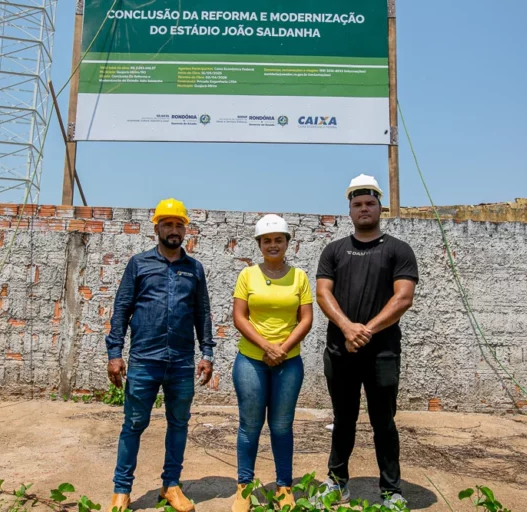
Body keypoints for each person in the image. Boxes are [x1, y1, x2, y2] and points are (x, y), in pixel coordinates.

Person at [314, 175, 419, 509]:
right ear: (349, 210)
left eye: (370, 203)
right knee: (343, 419)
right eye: (357, 204)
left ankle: (391, 491)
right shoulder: (334, 250)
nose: (364, 209)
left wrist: (365, 331)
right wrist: (347, 328)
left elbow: (403, 298)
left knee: (383, 423)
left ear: (379, 207)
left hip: (382, 354)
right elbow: (323, 293)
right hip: (340, 351)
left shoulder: (398, 250)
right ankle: (337, 483)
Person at [105, 198, 215, 512]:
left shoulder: (194, 269)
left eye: (179, 224)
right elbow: (121, 310)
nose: (174, 230)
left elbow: (202, 314)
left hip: (181, 361)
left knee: (178, 423)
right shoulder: (139, 264)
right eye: (167, 224)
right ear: (156, 228)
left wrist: (207, 353)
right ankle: (121, 490)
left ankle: (171, 485)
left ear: (186, 230)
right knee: (133, 424)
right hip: (144, 360)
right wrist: (115, 353)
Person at [230, 214, 314, 512]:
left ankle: (284, 487)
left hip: (288, 363)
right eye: (267, 240)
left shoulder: (299, 277)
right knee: (249, 426)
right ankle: (244, 487)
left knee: (281, 426)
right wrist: (266, 346)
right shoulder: (247, 275)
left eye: (279, 239)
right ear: (259, 244)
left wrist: (283, 349)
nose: (273, 245)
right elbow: (239, 317)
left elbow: (306, 319)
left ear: (288, 243)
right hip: (250, 361)